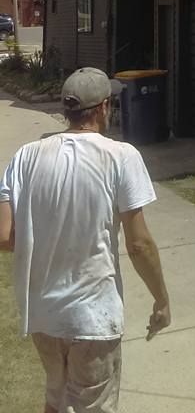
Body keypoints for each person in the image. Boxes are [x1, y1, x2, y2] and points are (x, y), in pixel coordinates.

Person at [0, 66, 171, 413]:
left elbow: (5, 237)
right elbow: (139, 245)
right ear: (104, 107)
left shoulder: (25, 157)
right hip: (92, 317)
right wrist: (162, 301)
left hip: (43, 316)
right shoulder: (121, 156)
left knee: (56, 401)